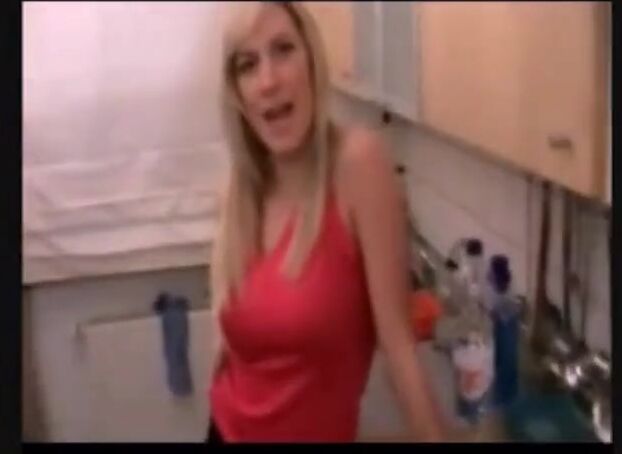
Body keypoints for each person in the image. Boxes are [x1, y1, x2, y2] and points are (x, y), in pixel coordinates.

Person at [207, 1, 444, 442]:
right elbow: (235, 352)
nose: (268, 81)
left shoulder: (359, 164)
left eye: (283, 50)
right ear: (237, 94)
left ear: (313, 62)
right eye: (247, 65)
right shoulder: (239, 192)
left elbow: (398, 347)